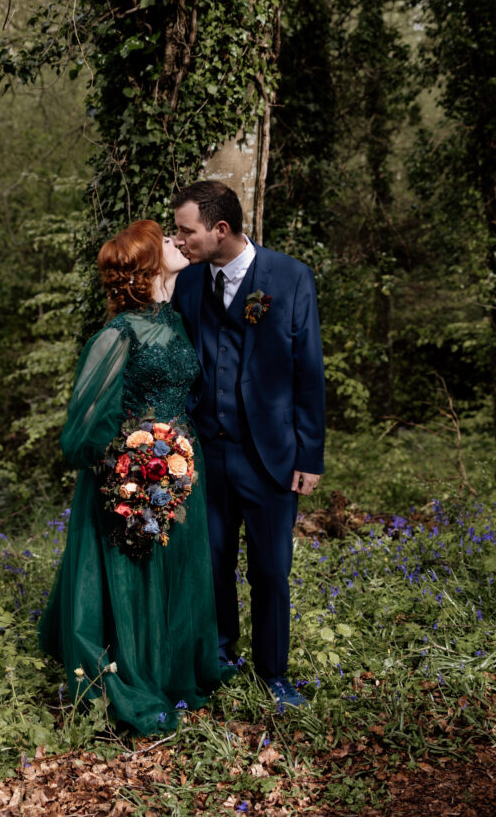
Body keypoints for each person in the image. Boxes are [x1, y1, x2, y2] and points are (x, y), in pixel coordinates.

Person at [38, 219, 231, 734]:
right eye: (165, 241)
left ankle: (175, 675)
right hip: (134, 477)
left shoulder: (173, 320)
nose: (176, 241)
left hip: (182, 470)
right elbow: (80, 428)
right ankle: (135, 680)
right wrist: (127, 464)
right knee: (137, 573)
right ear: (147, 265)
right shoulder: (116, 333)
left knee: (178, 569)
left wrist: (175, 456)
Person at [170, 181, 325, 710]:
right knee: (211, 563)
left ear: (220, 229)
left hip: (271, 457)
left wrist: (309, 455)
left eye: (186, 231)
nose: (179, 240)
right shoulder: (187, 284)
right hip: (205, 456)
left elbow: (309, 372)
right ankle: (220, 657)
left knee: (268, 570)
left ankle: (274, 675)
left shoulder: (289, 276)